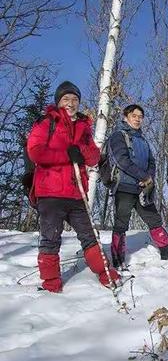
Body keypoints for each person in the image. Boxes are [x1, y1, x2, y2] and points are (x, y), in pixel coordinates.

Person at [27, 81, 120, 292]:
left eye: (75, 99)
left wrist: (81, 152)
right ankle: (51, 283)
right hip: (50, 192)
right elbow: (35, 151)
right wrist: (65, 156)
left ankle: (106, 274)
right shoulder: (46, 122)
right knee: (50, 237)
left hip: (76, 193)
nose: (71, 103)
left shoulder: (83, 126)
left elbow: (94, 157)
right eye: (66, 99)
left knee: (89, 235)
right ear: (58, 101)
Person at [109, 104, 168, 268]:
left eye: (140, 116)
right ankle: (118, 258)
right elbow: (121, 160)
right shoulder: (118, 135)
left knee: (153, 218)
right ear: (126, 117)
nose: (137, 119)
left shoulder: (143, 140)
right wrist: (143, 176)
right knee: (121, 222)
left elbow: (151, 161)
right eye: (134, 116)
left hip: (144, 187)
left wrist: (149, 177)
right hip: (124, 185)